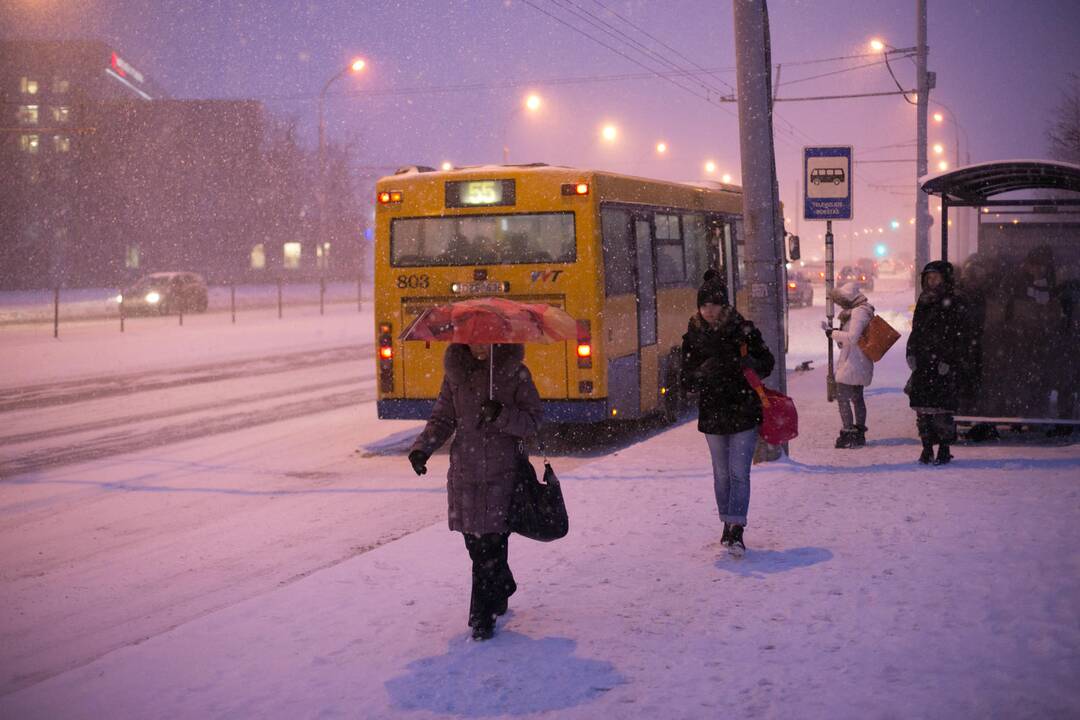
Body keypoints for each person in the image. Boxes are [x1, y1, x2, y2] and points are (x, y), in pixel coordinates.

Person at [407, 343, 542, 640]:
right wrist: (422, 449)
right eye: (474, 338)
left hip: (503, 474)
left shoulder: (514, 373)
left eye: (486, 338)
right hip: (466, 475)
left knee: (489, 545)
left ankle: (481, 619)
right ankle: (503, 585)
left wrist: (501, 414)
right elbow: (442, 418)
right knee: (476, 544)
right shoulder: (456, 375)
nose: (480, 344)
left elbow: (533, 422)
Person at [680, 269, 775, 556]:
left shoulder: (743, 329)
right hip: (713, 414)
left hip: (743, 410)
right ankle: (726, 523)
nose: (709, 310)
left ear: (725, 305)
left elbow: (767, 363)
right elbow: (684, 380)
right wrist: (699, 373)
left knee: (738, 473)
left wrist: (747, 361)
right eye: (704, 305)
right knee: (721, 475)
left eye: (715, 304)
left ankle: (737, 529)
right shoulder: (693, 337)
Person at [906, 261, 974, 465]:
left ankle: (944, 448)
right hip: (924, 362)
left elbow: (959, 335)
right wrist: (911, 353)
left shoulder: (954, 300)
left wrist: (949, 359)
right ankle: (926, 447)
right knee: (923, 409)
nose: (931, 281)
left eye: (936, 277)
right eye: (929, 277)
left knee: (942, 410)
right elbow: (916, 331)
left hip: (943, 364)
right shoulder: (924, 299)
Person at [823, 282, 875, 448]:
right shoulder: (859, 311)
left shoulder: (859, 312)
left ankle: (849, 433)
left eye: (842, 301)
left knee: (843, 397)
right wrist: (836, 334)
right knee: (857, 398)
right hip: (857, 360)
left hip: (854, 361)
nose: (840, 305)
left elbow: (852, 337)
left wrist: (833, 334)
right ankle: (858, 432)